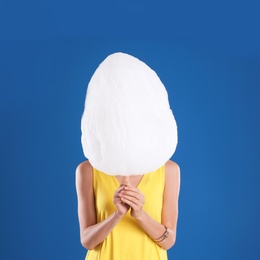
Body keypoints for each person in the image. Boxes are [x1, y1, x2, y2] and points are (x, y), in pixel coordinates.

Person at [75, 159, 180, 260]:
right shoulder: (88, 169)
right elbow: (87, 241)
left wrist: (140, 215)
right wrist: (117, 214)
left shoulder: (168, 169)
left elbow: (168, 242)